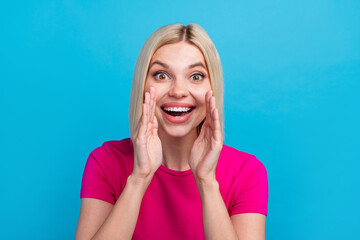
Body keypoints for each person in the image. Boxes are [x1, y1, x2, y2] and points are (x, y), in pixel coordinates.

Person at [75, 23, 268, 240]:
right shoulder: (106, 162)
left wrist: (206, 182)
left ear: (212, 88)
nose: (178, 91)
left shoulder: (247, 172)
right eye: (161, 75)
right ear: (142, 85)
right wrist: (139, 178)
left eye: (196, 76)